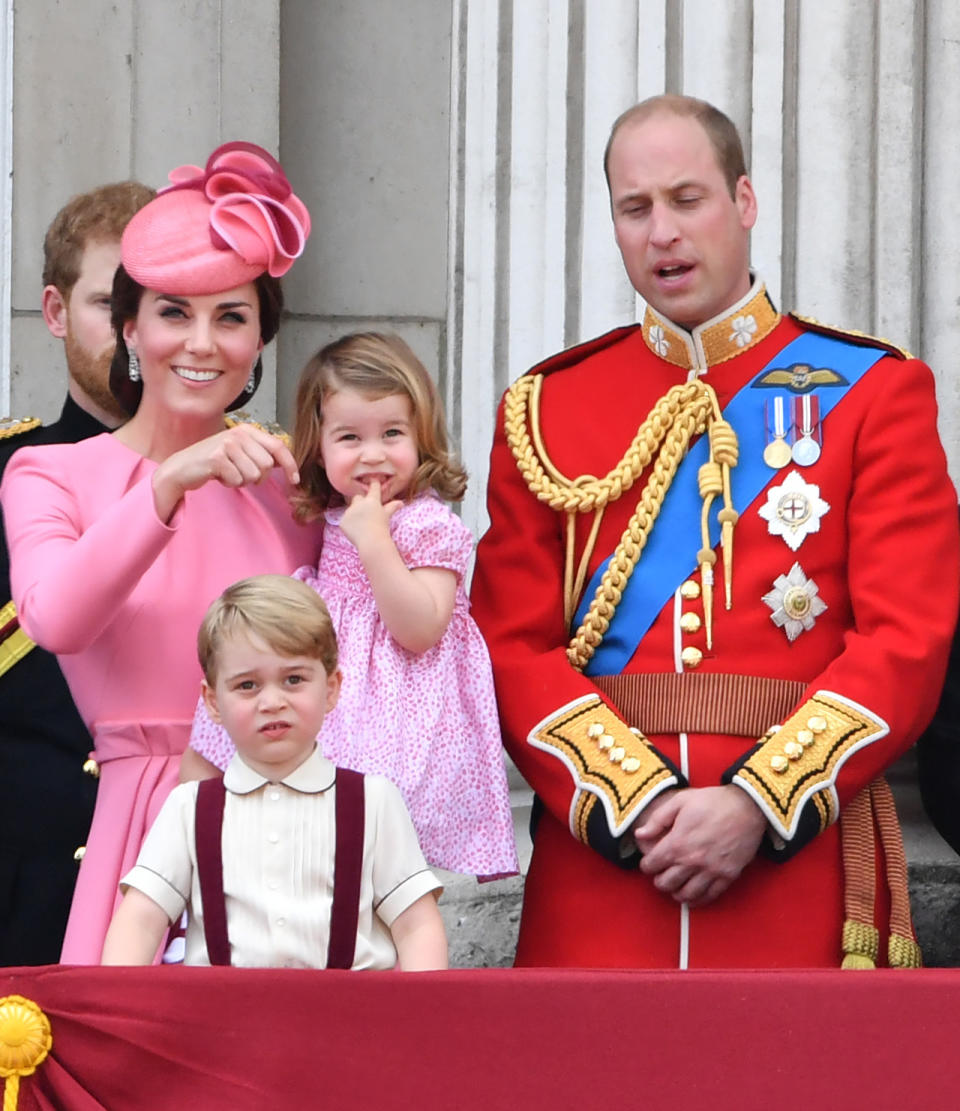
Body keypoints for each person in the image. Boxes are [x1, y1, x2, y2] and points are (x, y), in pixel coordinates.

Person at [471, 94, 960, 969]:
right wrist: (633, 803)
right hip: (607, 870)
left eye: (686, 199)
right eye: (635, 208)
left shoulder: (875, 393)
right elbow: (508, 644)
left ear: (743, 201)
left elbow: (907, 640)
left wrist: (758, 804)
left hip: (799, 862)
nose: (662, 232)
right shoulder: (547, 407)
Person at [1, 141, 318, 965]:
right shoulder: (50, 471)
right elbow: (57, 615)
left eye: (233, 317)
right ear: (131, 327)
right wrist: (170, 482)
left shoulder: (290, 486)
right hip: (134, 826)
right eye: (174, 313)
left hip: (282, 832)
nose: (202, 343)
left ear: (260, 339)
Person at [186, 332, 518, 880]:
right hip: (332, 685)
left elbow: (420, 628)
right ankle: (195, 843)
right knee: (222, 734)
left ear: (422, 436)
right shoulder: (331, 515)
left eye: (392, 433)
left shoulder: (429, 523)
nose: (373, 455)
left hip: (398, 705)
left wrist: (375, 542)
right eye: (349, 437)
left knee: (370, 832)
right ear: (318, 446)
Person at [102, 575, 447, 970]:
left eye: (294, 679)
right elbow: (141, 921)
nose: (272, 701)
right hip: (221, 1026)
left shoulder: (375, 802)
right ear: (213, 702)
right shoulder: (189, 807)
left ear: (332, 688)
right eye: (247, 685)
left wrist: (422, 1021)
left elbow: (416, 925)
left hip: (352, 1024)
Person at [0, 181, 154, 966]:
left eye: (156, 305)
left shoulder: (259, 478)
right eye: (110, 304)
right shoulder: (7, 474)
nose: (134, 334)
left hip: (200, 905)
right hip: (23, 910)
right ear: (55, 313)